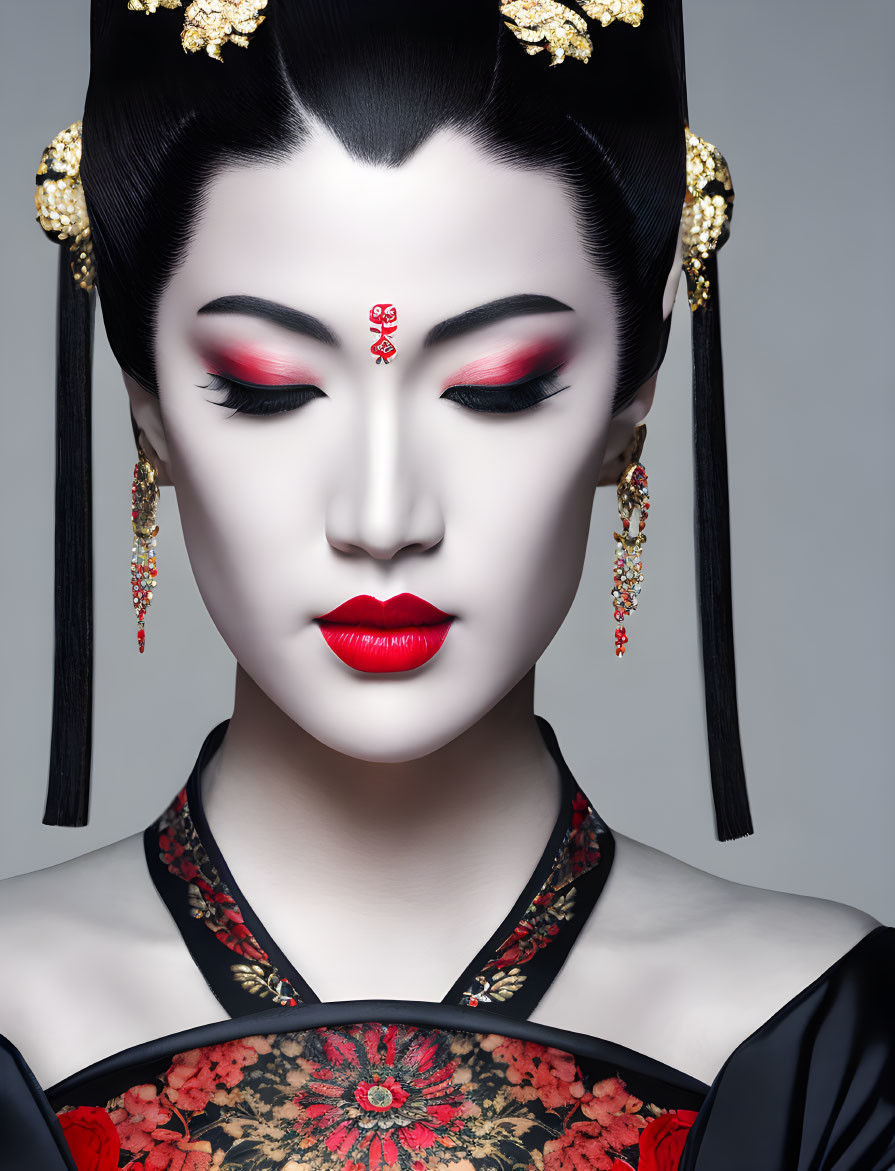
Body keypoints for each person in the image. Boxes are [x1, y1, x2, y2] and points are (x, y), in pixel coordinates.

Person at [1, 1, 892, 1168]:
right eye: (268, 387)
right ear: (148, 411)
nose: (382, 517)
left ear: (634, 402)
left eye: (498, 386)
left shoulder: (819, 1034)